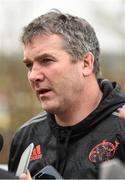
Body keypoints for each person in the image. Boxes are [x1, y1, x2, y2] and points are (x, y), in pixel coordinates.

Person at [8, 10, 125, 179]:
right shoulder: (26, 137)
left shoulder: (121, 128)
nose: (33, 75)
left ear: (86, 63)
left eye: (46, 60)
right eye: (29, 65)